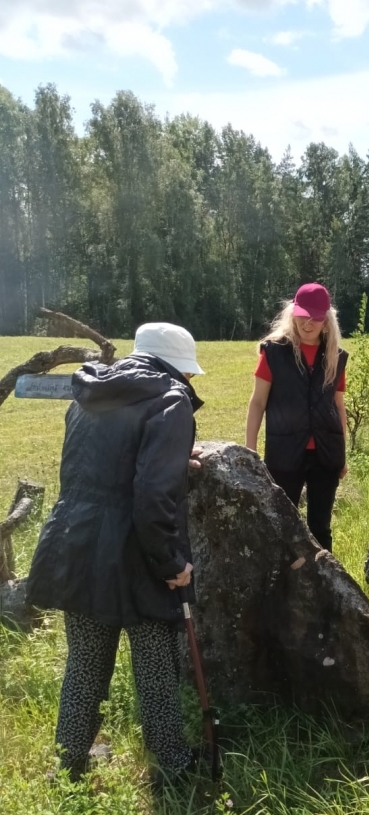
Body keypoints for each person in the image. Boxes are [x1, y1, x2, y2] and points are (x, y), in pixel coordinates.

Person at [26, 323, 205, 781]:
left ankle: (68, 764)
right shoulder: (170, 399)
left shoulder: (90, 392)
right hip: (136, 553)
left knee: (84, 663)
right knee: (155, 667)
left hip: (78, 542)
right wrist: (171, 562)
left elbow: (104, 459)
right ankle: (173, 767)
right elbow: (151, 496)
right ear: (179, 366)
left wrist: (173, 457)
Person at [245, 283, 348, 552]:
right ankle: (283, 584)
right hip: (284, 454)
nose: (308, 322)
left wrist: (343, 454)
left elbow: (338, 407)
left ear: (326, 319)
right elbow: (257, 403)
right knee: (282, 524)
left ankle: (325, 585)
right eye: (303, 314)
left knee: (321, 527)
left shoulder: (336, 356)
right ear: (293, 312)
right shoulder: (274, 352)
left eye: (316, 317)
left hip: (326, 455)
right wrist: (251, 450)